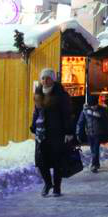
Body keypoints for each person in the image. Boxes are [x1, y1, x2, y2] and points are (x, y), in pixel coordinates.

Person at [31, 68, 74, 197]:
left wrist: (68, 131)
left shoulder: (61, 95)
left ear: (53, 79)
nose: (45, 81)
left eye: (48, 78)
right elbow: (36, 112)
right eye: (43, 78)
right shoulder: (38, 94)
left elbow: (67, 114)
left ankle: (57, 187)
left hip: (57, 133)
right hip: (42, 134)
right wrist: (33, 125)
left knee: (57, 162)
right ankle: (48, 183)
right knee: (41, 161)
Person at [76, 93, 108, 173]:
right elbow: (80, 122)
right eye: (92, 105)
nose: (94, 107)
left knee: (95, 149)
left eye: (95, 105)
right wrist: (78, 132)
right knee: (93, 148)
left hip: (98, 133)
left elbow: (106, 122)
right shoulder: (85, 111)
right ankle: (96, 163)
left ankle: (94, 165)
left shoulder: (101, 110)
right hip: (89, 133)